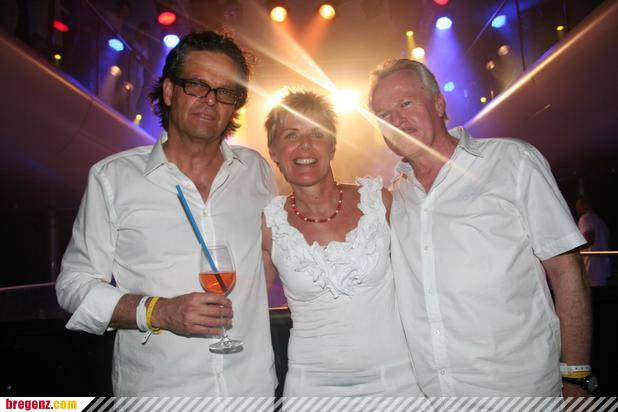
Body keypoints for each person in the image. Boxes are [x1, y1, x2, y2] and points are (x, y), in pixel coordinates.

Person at [55, 31, 277, 396]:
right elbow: (73, 286)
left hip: (250, 391)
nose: (210, 100)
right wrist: (158, 312)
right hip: (160, 394)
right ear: (170, 91)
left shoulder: (255, 170)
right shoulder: (113, 178)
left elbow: (270, 250)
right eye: (197, 85)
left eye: (225, 92)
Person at [368, 59, 594, 398]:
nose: (396, 121)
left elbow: (568, 272)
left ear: (439, 104)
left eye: (406, 104)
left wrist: (576, 378)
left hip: (519, 391)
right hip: (434, 396)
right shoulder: (395, 196)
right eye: (384, 115)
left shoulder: (512, 161)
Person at [261, 89, 423, 397]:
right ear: (274, 152)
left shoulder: (379, 202)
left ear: (333, 146)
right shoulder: (269, 224)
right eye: (291, 135)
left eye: (317, 134)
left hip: (398, 384)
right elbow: (245, 303)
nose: (305, 145)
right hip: (311, 391)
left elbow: (424, 279)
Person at [576, 196, 611, 286]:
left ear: (586, 204)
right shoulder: (601, 221)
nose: (577, 209)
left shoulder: (585, 218)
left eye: (579, 205)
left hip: (591, 268)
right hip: (603, 269)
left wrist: (572, 250)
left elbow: (589, 239)